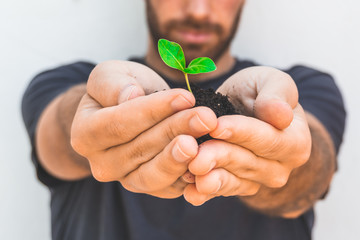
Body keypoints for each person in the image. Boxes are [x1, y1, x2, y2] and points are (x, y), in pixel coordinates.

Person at [22, 0, 346, 239]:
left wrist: (284, 149)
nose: (199, 10)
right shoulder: (62, 83)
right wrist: (92, 117)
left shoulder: (307, 90)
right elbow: (61, 134)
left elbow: (313, 163)